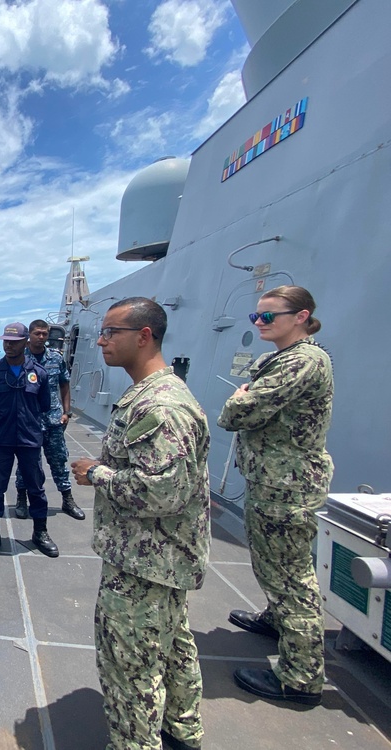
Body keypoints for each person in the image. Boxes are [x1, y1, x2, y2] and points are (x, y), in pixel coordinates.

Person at [70, 297, 209, 750]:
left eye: (111, 332)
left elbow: (163, 492)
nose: (102, 340)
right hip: (159, 557)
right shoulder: (153, 394)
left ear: (144, 336)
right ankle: (181, 730)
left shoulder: (161, 407)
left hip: (145, 560)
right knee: (171, 648)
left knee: (128, 665)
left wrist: (98, 473)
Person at [218, 286, 333, 707]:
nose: (260, 323)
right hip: (273, 481)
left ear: (301, 316)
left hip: (287, 486)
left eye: (269, 317)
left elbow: (238, 413)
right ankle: (276, 620)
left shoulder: (302, 361)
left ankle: (301, 678)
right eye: (256, 317)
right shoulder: (280, 359)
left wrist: (237, 400)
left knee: (290, 577)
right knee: (275, 564)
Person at [0, 322, 59, 558]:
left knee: (36, 487)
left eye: (14, 342)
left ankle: (40, 532)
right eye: (6, 342)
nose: (8, 346)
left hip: (30, 438)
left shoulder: (39, 373)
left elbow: (44, 404)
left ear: (25, 342)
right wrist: (3, 416)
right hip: (1, 439)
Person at [14, 319, 84, 522]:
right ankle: (21, 498)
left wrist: (67, 412)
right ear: (29, 335)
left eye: (45, 334)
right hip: (29, 422)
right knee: (26, 464)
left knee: (59, 460)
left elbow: (64, 385)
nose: (41, 337)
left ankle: (67, 499)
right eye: (37, 333)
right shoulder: (19, 359)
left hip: (53, 420)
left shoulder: (56, 358)